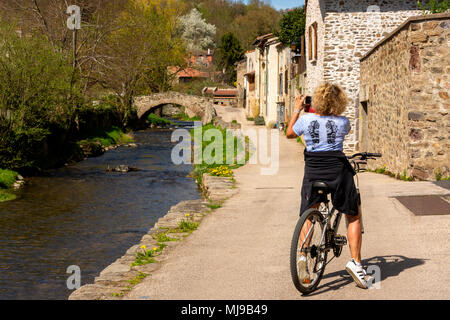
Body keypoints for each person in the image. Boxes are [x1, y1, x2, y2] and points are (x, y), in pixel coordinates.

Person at [286, 83, 368, 289]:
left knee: (309, 211)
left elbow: (289, 133)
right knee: (353, 214)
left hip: (313, 172)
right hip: (338, 172)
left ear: (316, 101)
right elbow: (344, 132)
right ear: (339, 102)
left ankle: (303, 256)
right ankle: (356, 263)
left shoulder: (306, 119)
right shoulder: (343, 122)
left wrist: (297, 109)